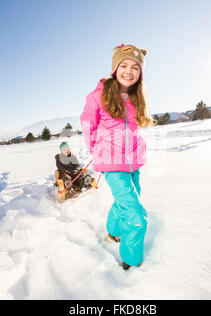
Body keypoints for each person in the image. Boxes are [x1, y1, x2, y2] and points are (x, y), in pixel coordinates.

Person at [80, 44, 153, 270]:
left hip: (133, 161)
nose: (129, 71)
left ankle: (112, 232)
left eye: (135, 67)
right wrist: (98, 150)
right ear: (115, 68)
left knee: (129, 197)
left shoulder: (136, 95)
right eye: (124, 65)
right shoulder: (98, 95)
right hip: (112, 164)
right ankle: (131, 261)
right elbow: (87, 126)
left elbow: (134, 127)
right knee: (135, 215)